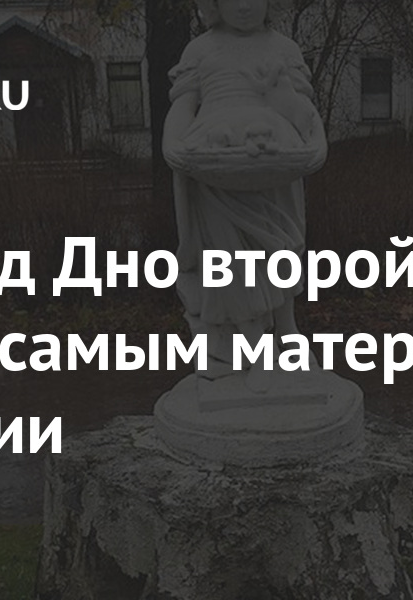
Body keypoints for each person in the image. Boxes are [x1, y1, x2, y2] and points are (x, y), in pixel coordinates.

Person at [162, 0, 327, 389]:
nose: (243, 5)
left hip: (274, 160)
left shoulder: (283, 49)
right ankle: (250, 350)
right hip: (215, 165)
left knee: (280, 250)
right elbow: (183, 107)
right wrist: (172, 144)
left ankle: (287, 331)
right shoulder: (200, 50)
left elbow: (304, 113)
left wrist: (316, 143)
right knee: (229, 262)